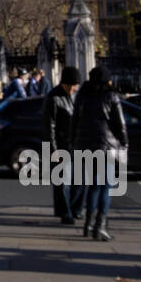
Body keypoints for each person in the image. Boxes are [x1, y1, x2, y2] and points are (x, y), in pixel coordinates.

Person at [70, 66, 127, 240]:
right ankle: (100, 226)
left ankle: (88, 223)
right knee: (105, 186)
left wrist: (73, 142)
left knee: (93, 186)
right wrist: (124, 142)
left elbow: (74, 121)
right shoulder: (111, 97)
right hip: (105, 146)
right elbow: (120, 125)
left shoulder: (82, 96)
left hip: (84, 145)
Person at [42, 66, 82, 224]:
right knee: (62, 182)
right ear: (63, 83)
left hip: (76, 144)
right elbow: (48, 126)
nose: (72, 89)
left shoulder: (76, 96)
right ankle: (65, 212)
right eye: (70, 85)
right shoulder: (53, 98)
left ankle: (75, 209)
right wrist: (53, 150)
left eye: (75, 86)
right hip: (60, 144)